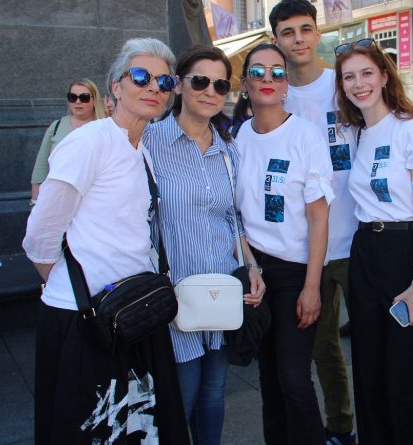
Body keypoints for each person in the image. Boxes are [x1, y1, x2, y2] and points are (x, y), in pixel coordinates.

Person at [23, 38, 189, 443]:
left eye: (165, 81)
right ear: (116, 87)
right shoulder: (89, 142)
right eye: (141, 76)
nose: (154, 87)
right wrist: (64, 282)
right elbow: (41, 234)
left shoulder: (140, 149)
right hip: (86, 318)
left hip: (132, 312)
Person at [143, 45, 266, 445]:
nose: (211, 91)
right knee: (180, 396)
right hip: (173, 294)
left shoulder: (227, 150)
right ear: (178, 85)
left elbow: (234, 218)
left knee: (213, 394)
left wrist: (252, 267)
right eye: (200, 81)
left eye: (220, 84)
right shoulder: (149, 142)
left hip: (219, 290)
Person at [334, 38, 413, 444]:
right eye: (349, 77)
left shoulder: (412, 128)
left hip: (406, 250)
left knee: (410, 367)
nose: (359, 84)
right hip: (366, 252)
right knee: (370, 367)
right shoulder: (357, 134)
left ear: (384, 76)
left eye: (367, 73)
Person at [234, 43, 334, 445]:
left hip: (296, 271)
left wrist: (312, 286)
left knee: (294, 378)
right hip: (255, 270)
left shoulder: (306, 136)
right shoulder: (238, 136)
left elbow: (319, 216)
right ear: (244, 83)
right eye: (257, 72)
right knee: (269, 376)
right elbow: (235, 212)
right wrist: (249, 265)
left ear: (286, 83)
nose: (268, 79)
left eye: (277, 72)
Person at [269, 1, 357, 443]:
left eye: (306, 29)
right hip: (309, 249)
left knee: (376, 342)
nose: (298, 39)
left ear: (318, 33)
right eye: (288, 32)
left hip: (358, 236)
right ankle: (341, 426)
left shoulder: (343, 82)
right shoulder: (274, 92)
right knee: (323, 348)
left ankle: (380, 424)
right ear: (276, 40)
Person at [29, 78, 107, 205]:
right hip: (58, 200)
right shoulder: (57, 126)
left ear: (94, 100)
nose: (78, 102)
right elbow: (40, 169)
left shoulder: (105, 127)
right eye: (72, 97)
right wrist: (34, 203)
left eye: (84, 97)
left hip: (94, 200)